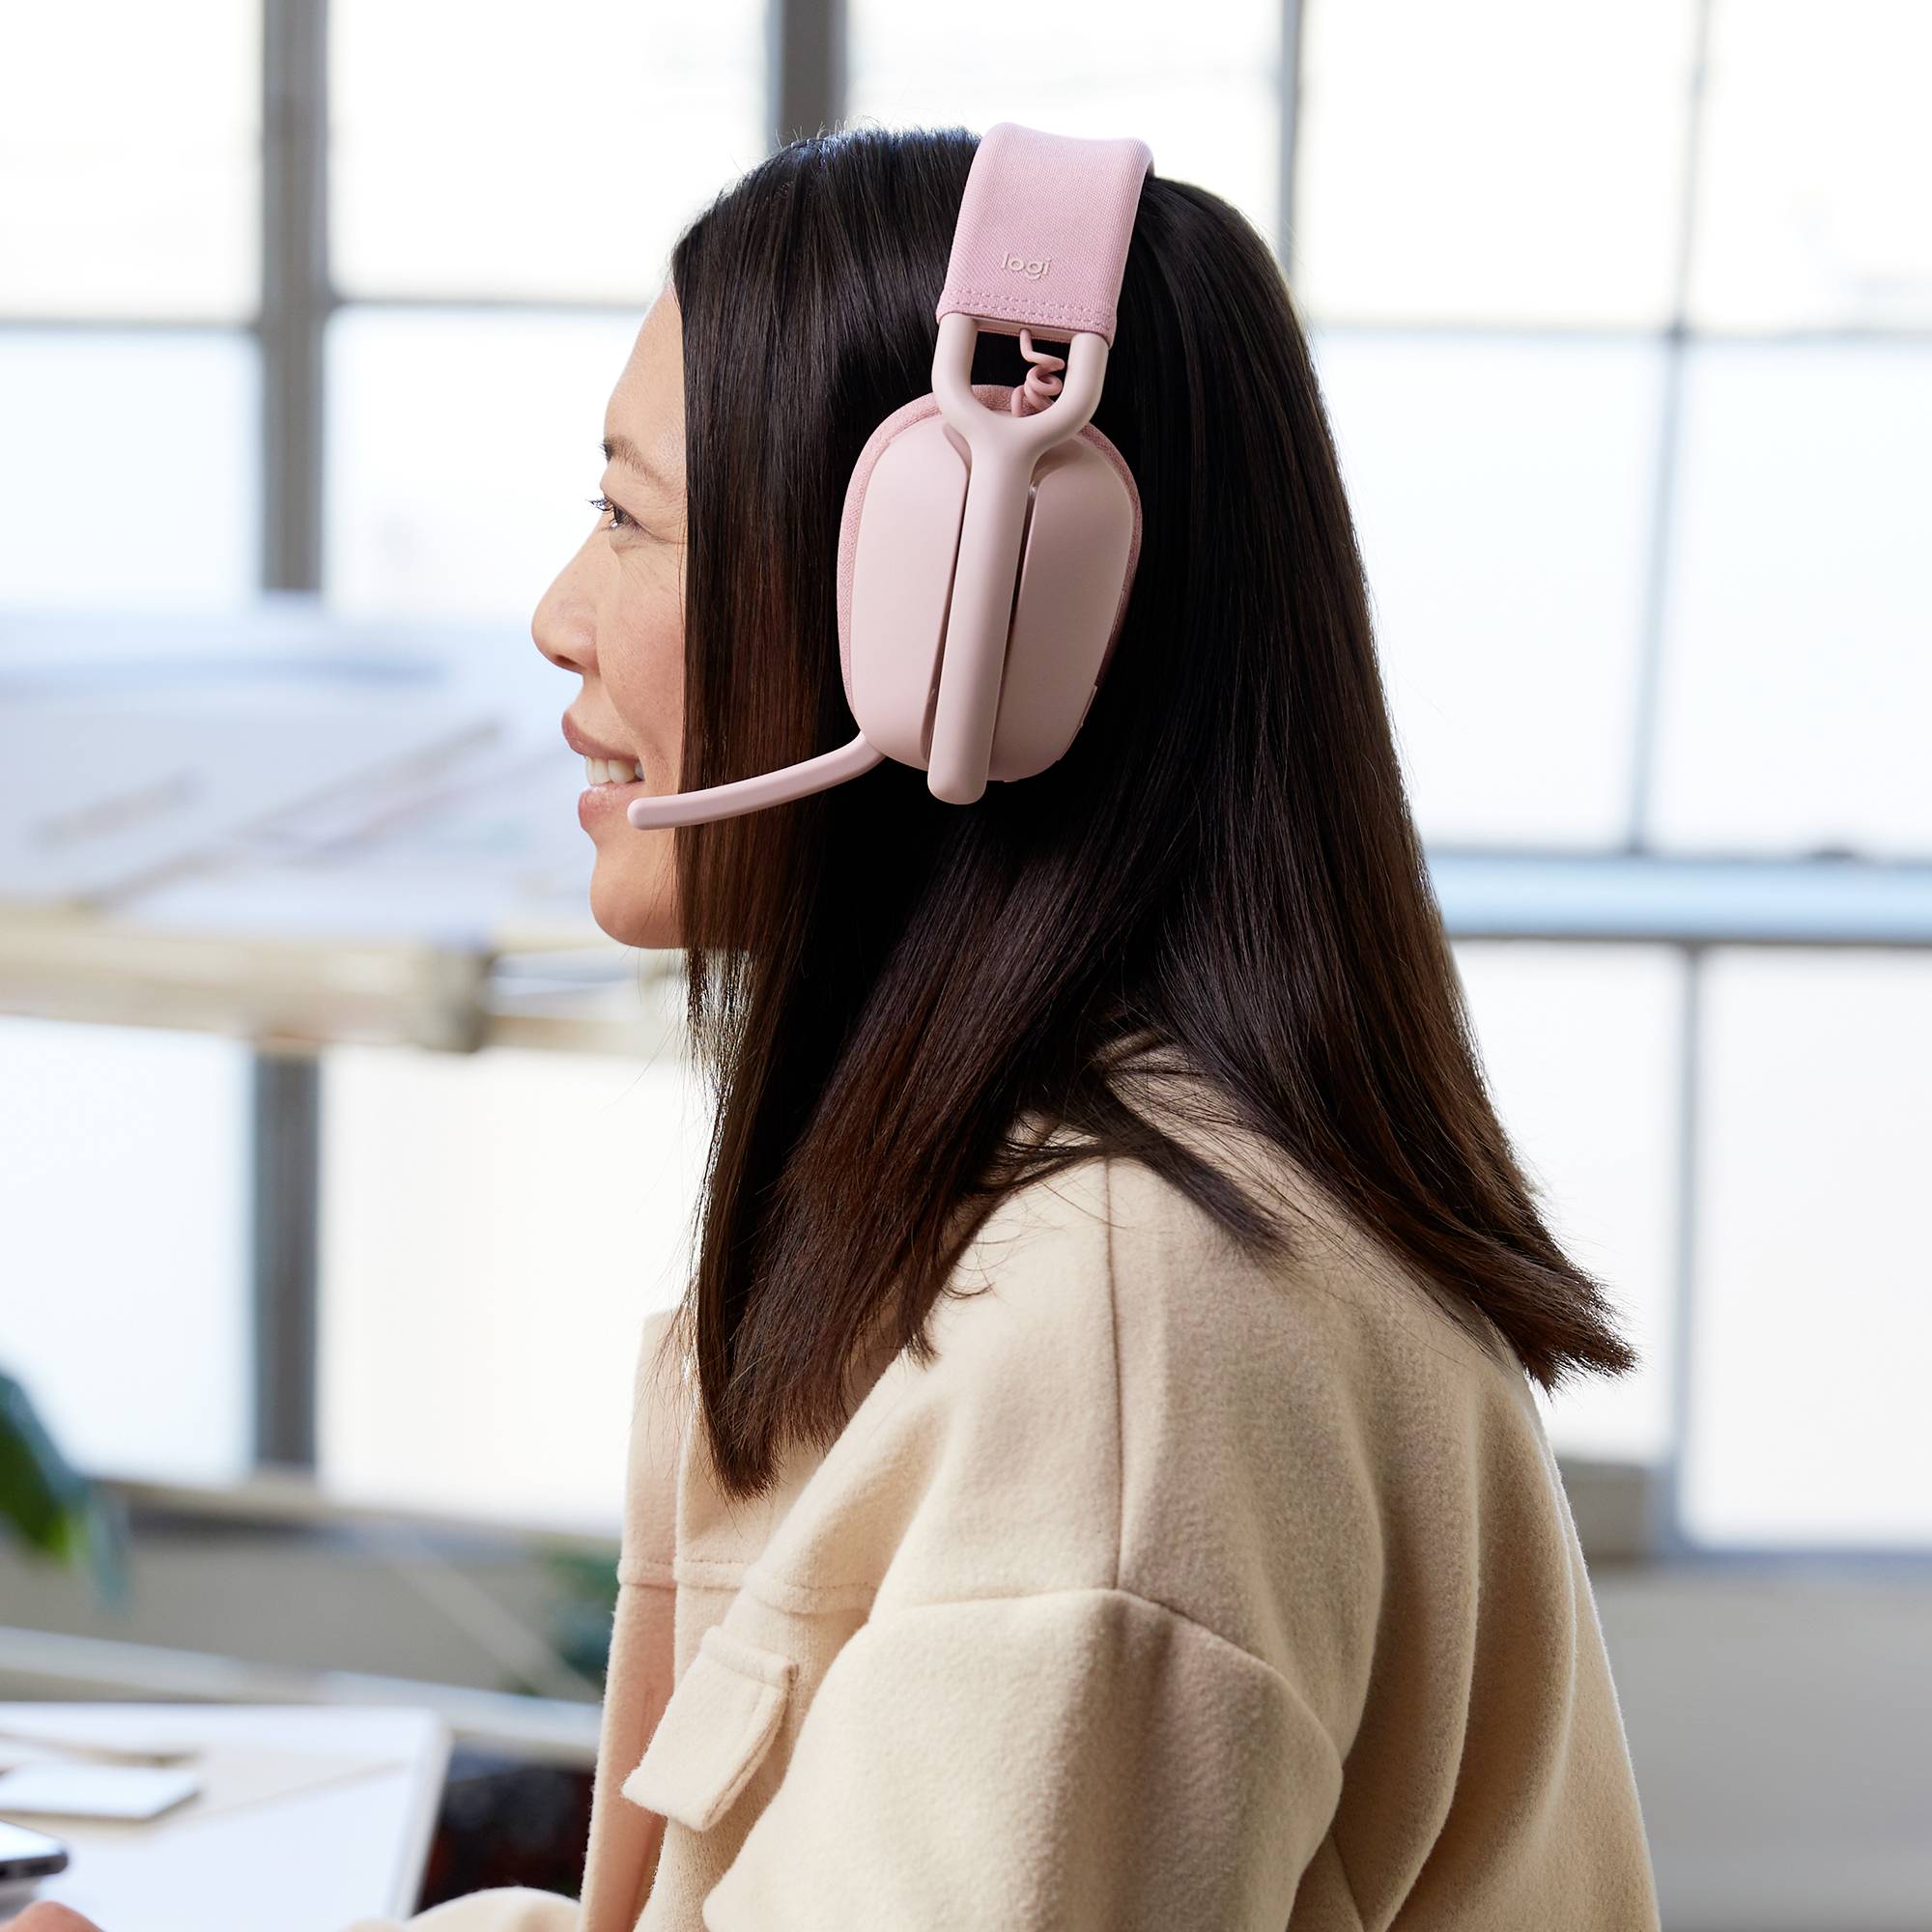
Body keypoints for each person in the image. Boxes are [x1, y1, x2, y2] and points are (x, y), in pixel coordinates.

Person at [17, 123, 1660, 1932]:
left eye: (635, 519)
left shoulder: (1118, 1370)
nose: (561, 616)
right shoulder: (1067, 1245)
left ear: (955, 626)